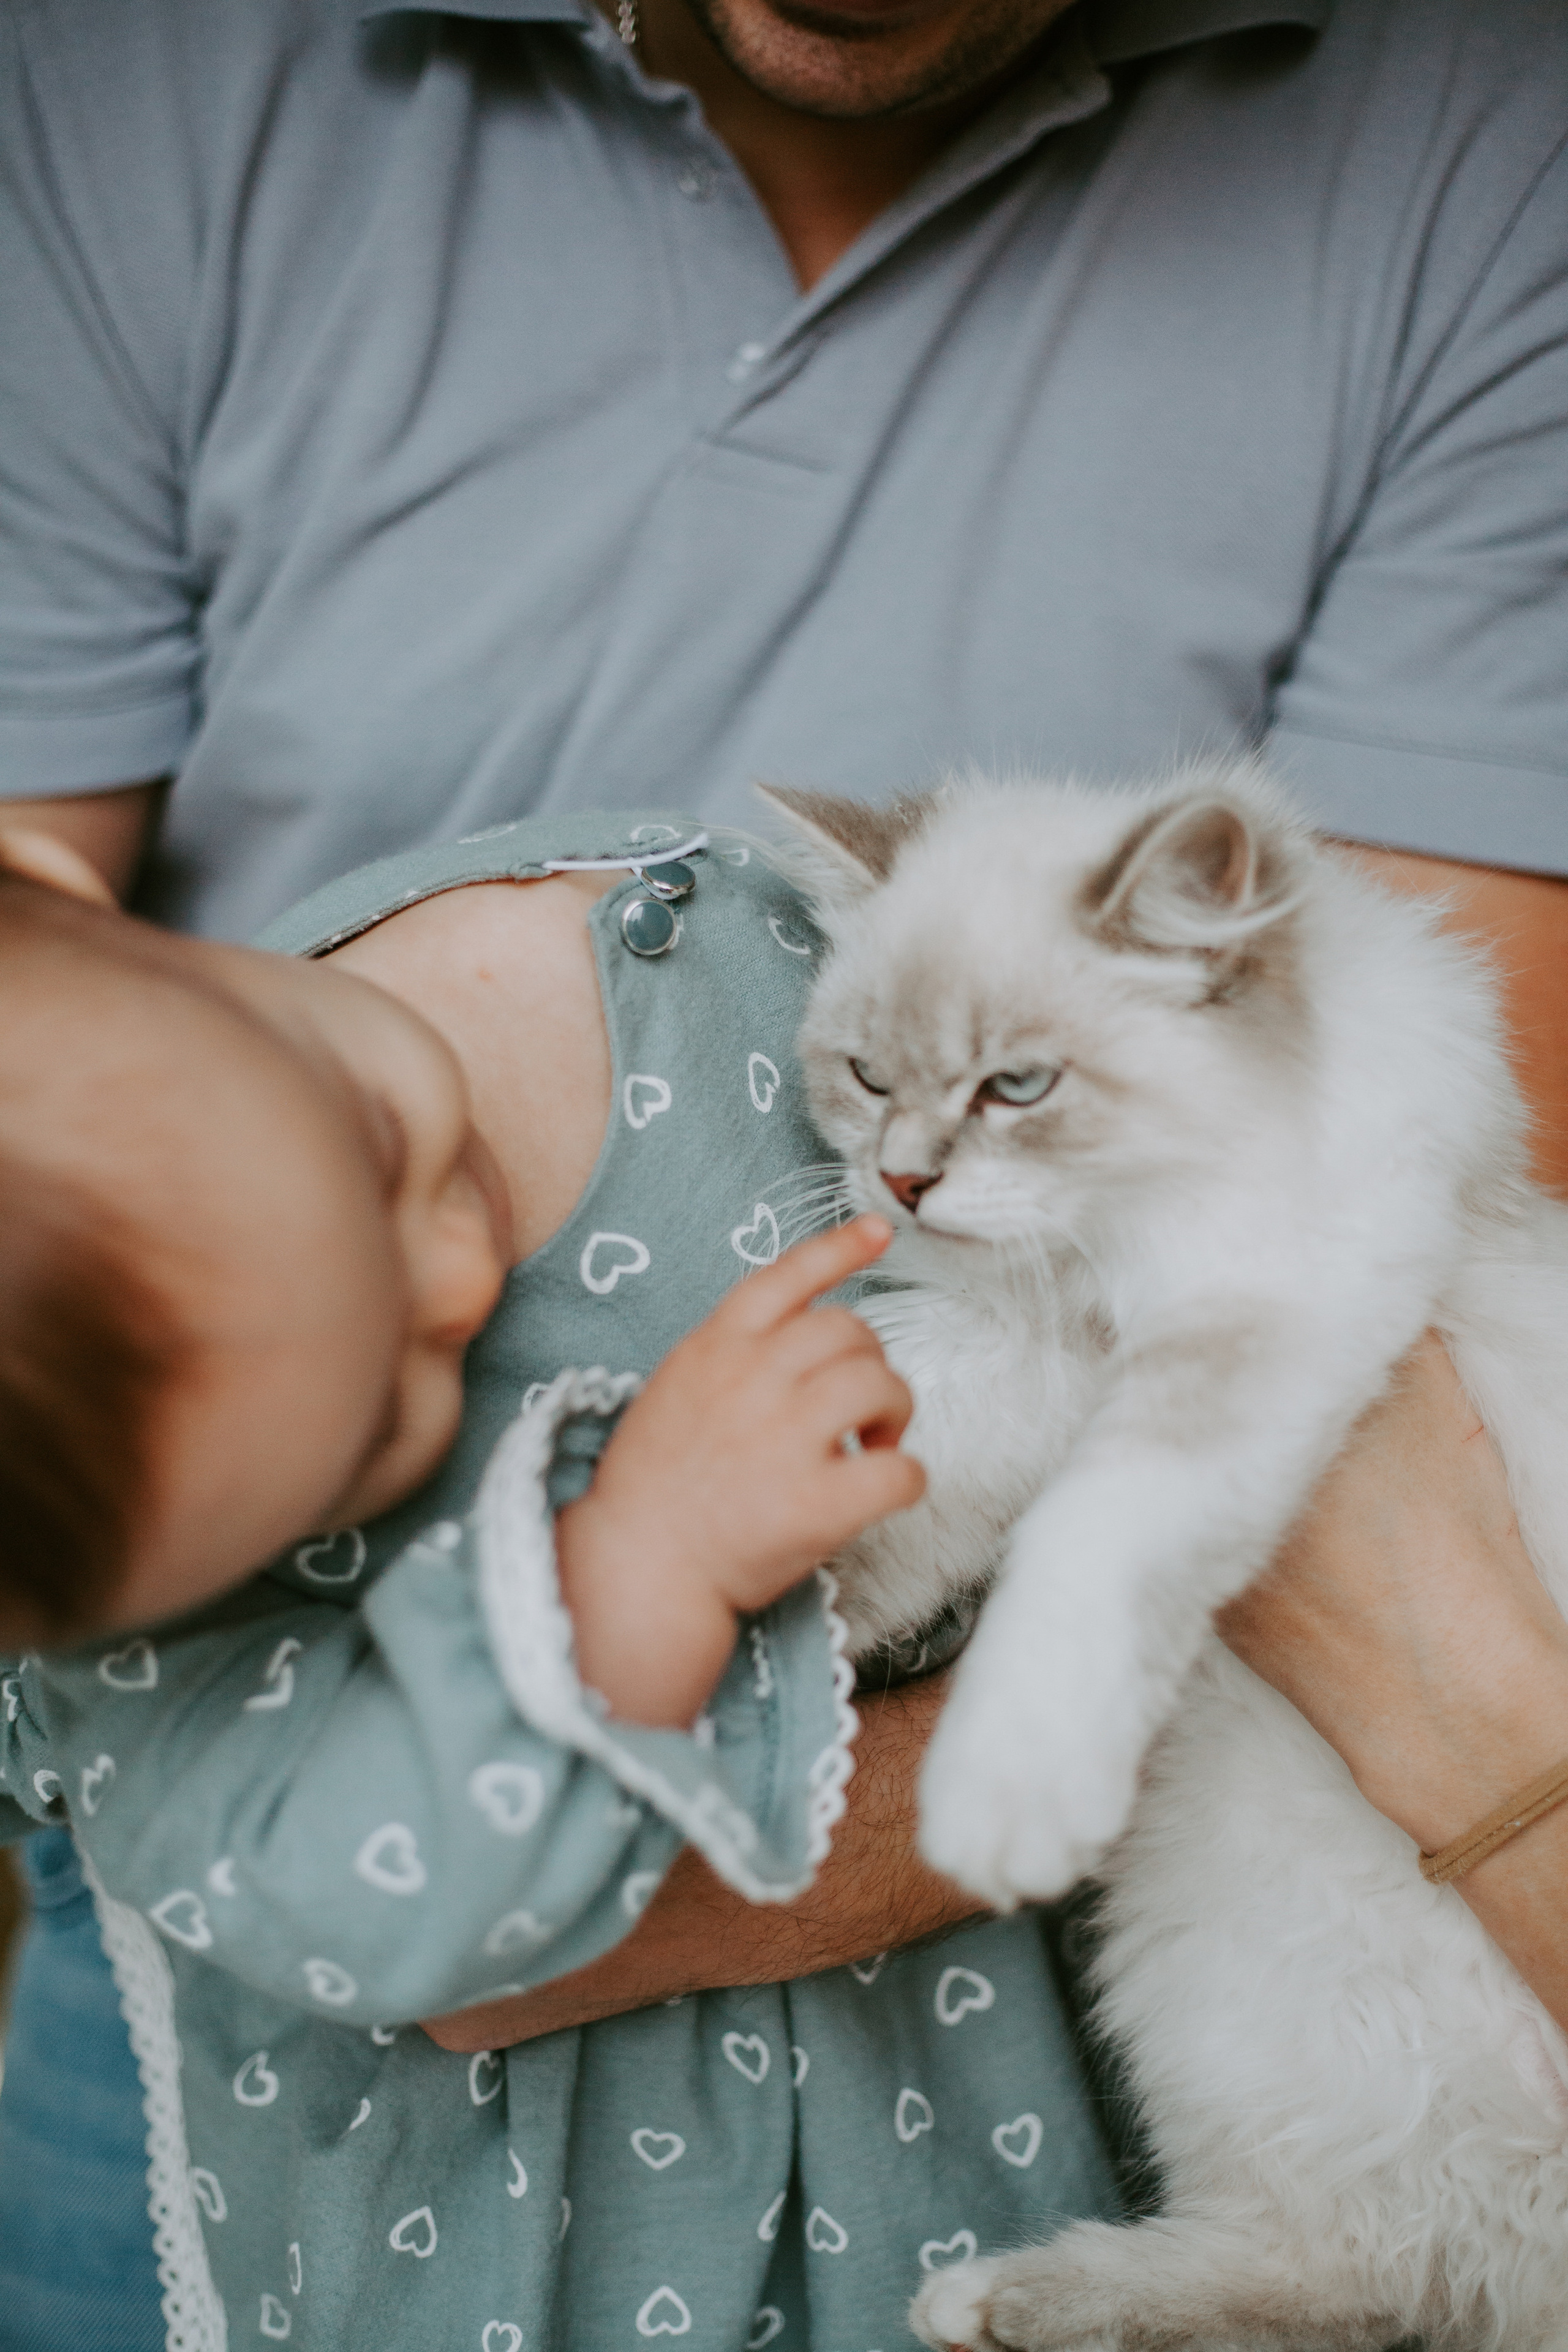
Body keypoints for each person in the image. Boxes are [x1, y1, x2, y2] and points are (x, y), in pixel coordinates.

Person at [1, 0, 1566, 2339]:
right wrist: (627, 1571)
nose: (459, 1278)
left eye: (396, 1142)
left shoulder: (1487, 118)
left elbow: (1384, 1238)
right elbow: (399, 1926)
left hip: (982, 2047)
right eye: (384, 1417)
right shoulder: (126, 66)